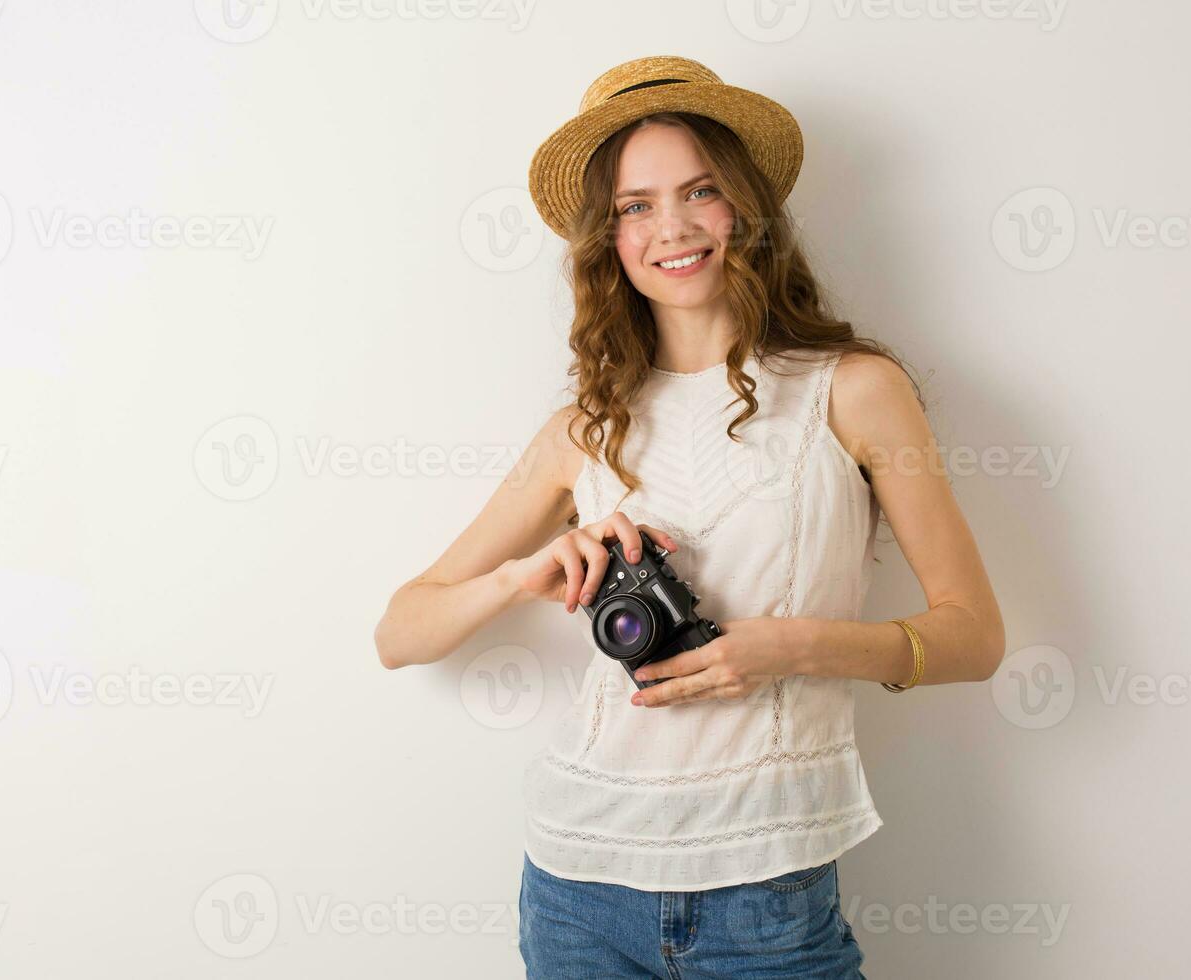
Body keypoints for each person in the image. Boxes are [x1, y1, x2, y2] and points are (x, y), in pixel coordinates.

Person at [374, 54, 1005, 980]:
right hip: (576, 886)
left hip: (770, 890)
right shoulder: (584, 427)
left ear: (744, 208)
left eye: (699, 191)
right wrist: (528, 571)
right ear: (609, 237)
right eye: (635, 205)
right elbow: (400, 633)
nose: (670, 227)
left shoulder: (856, 391)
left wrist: (787, 648)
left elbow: (975, 637)